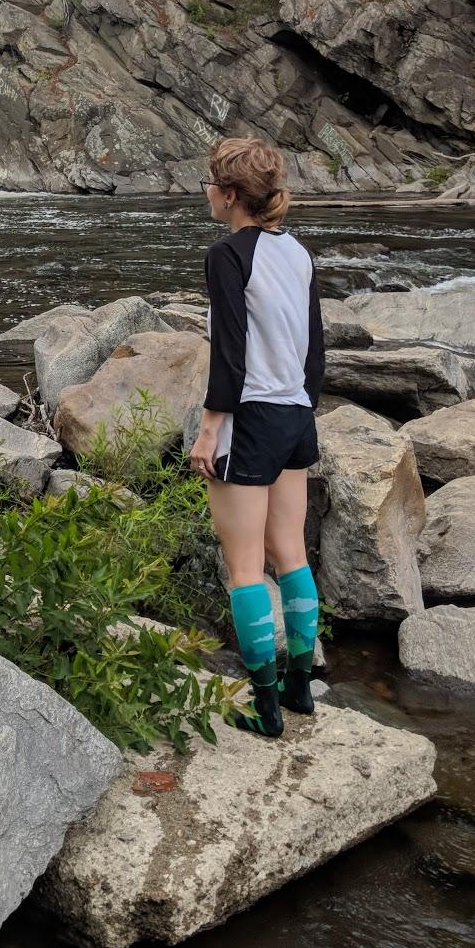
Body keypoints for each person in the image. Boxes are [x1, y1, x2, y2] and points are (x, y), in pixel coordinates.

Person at [189, 137, 325, 738]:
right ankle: (300, 688)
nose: (207, 193)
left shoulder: (227, 255)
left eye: (210, 183)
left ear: (231, 195)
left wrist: (209, 427)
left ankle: (265, 708)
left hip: (248, 420)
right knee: (290, 554)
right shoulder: (297, 253)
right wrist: (301, 408)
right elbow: (313, 349)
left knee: (244, 567)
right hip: (295, 414)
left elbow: (229, 354)